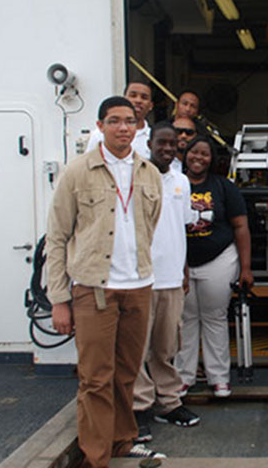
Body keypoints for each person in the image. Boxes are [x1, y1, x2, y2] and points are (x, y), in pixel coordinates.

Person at [46, 96, 165, 465]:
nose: (123, 127)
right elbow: (57, 236)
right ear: (100, 126)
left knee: (126, 374)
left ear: (138, 126)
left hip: (138, 286)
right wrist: (58, 298)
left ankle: (122, 441)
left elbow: (151, 224)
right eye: (114, 121)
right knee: (96, 378)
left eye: (129, 121)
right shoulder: (78, 171)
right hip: (94, 288)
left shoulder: (148, 172)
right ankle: (95, 456)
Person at [132, 122, 200, 443]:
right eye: (162, 143)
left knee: (166, 346)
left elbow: (181, 228)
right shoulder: (135, 176)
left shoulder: (182, 182)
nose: (168, 149)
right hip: (141, 277)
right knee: (138, 346)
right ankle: (138, 409)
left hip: (172, 277)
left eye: (173, 144)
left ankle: (169, 403)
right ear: (150, 143)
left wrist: (184, 270)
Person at [175, 136, 254, 398]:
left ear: (213, 159)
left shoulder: (224, 187)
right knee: (185, 320)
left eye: (205, 154)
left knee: (214, 317)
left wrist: (245, 268)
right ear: (185, 154)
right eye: (194, 153)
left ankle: (219, 377)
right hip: (180, 261)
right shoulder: (174, 185)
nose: (198, 158)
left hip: (219, 259)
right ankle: (183, 378)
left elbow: (241, 227)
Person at [87, 82, 153, 158]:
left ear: (151, 105)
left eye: (144, 97)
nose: (138, 100)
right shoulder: (99, 135)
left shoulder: (153, 137)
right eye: (133, 95)